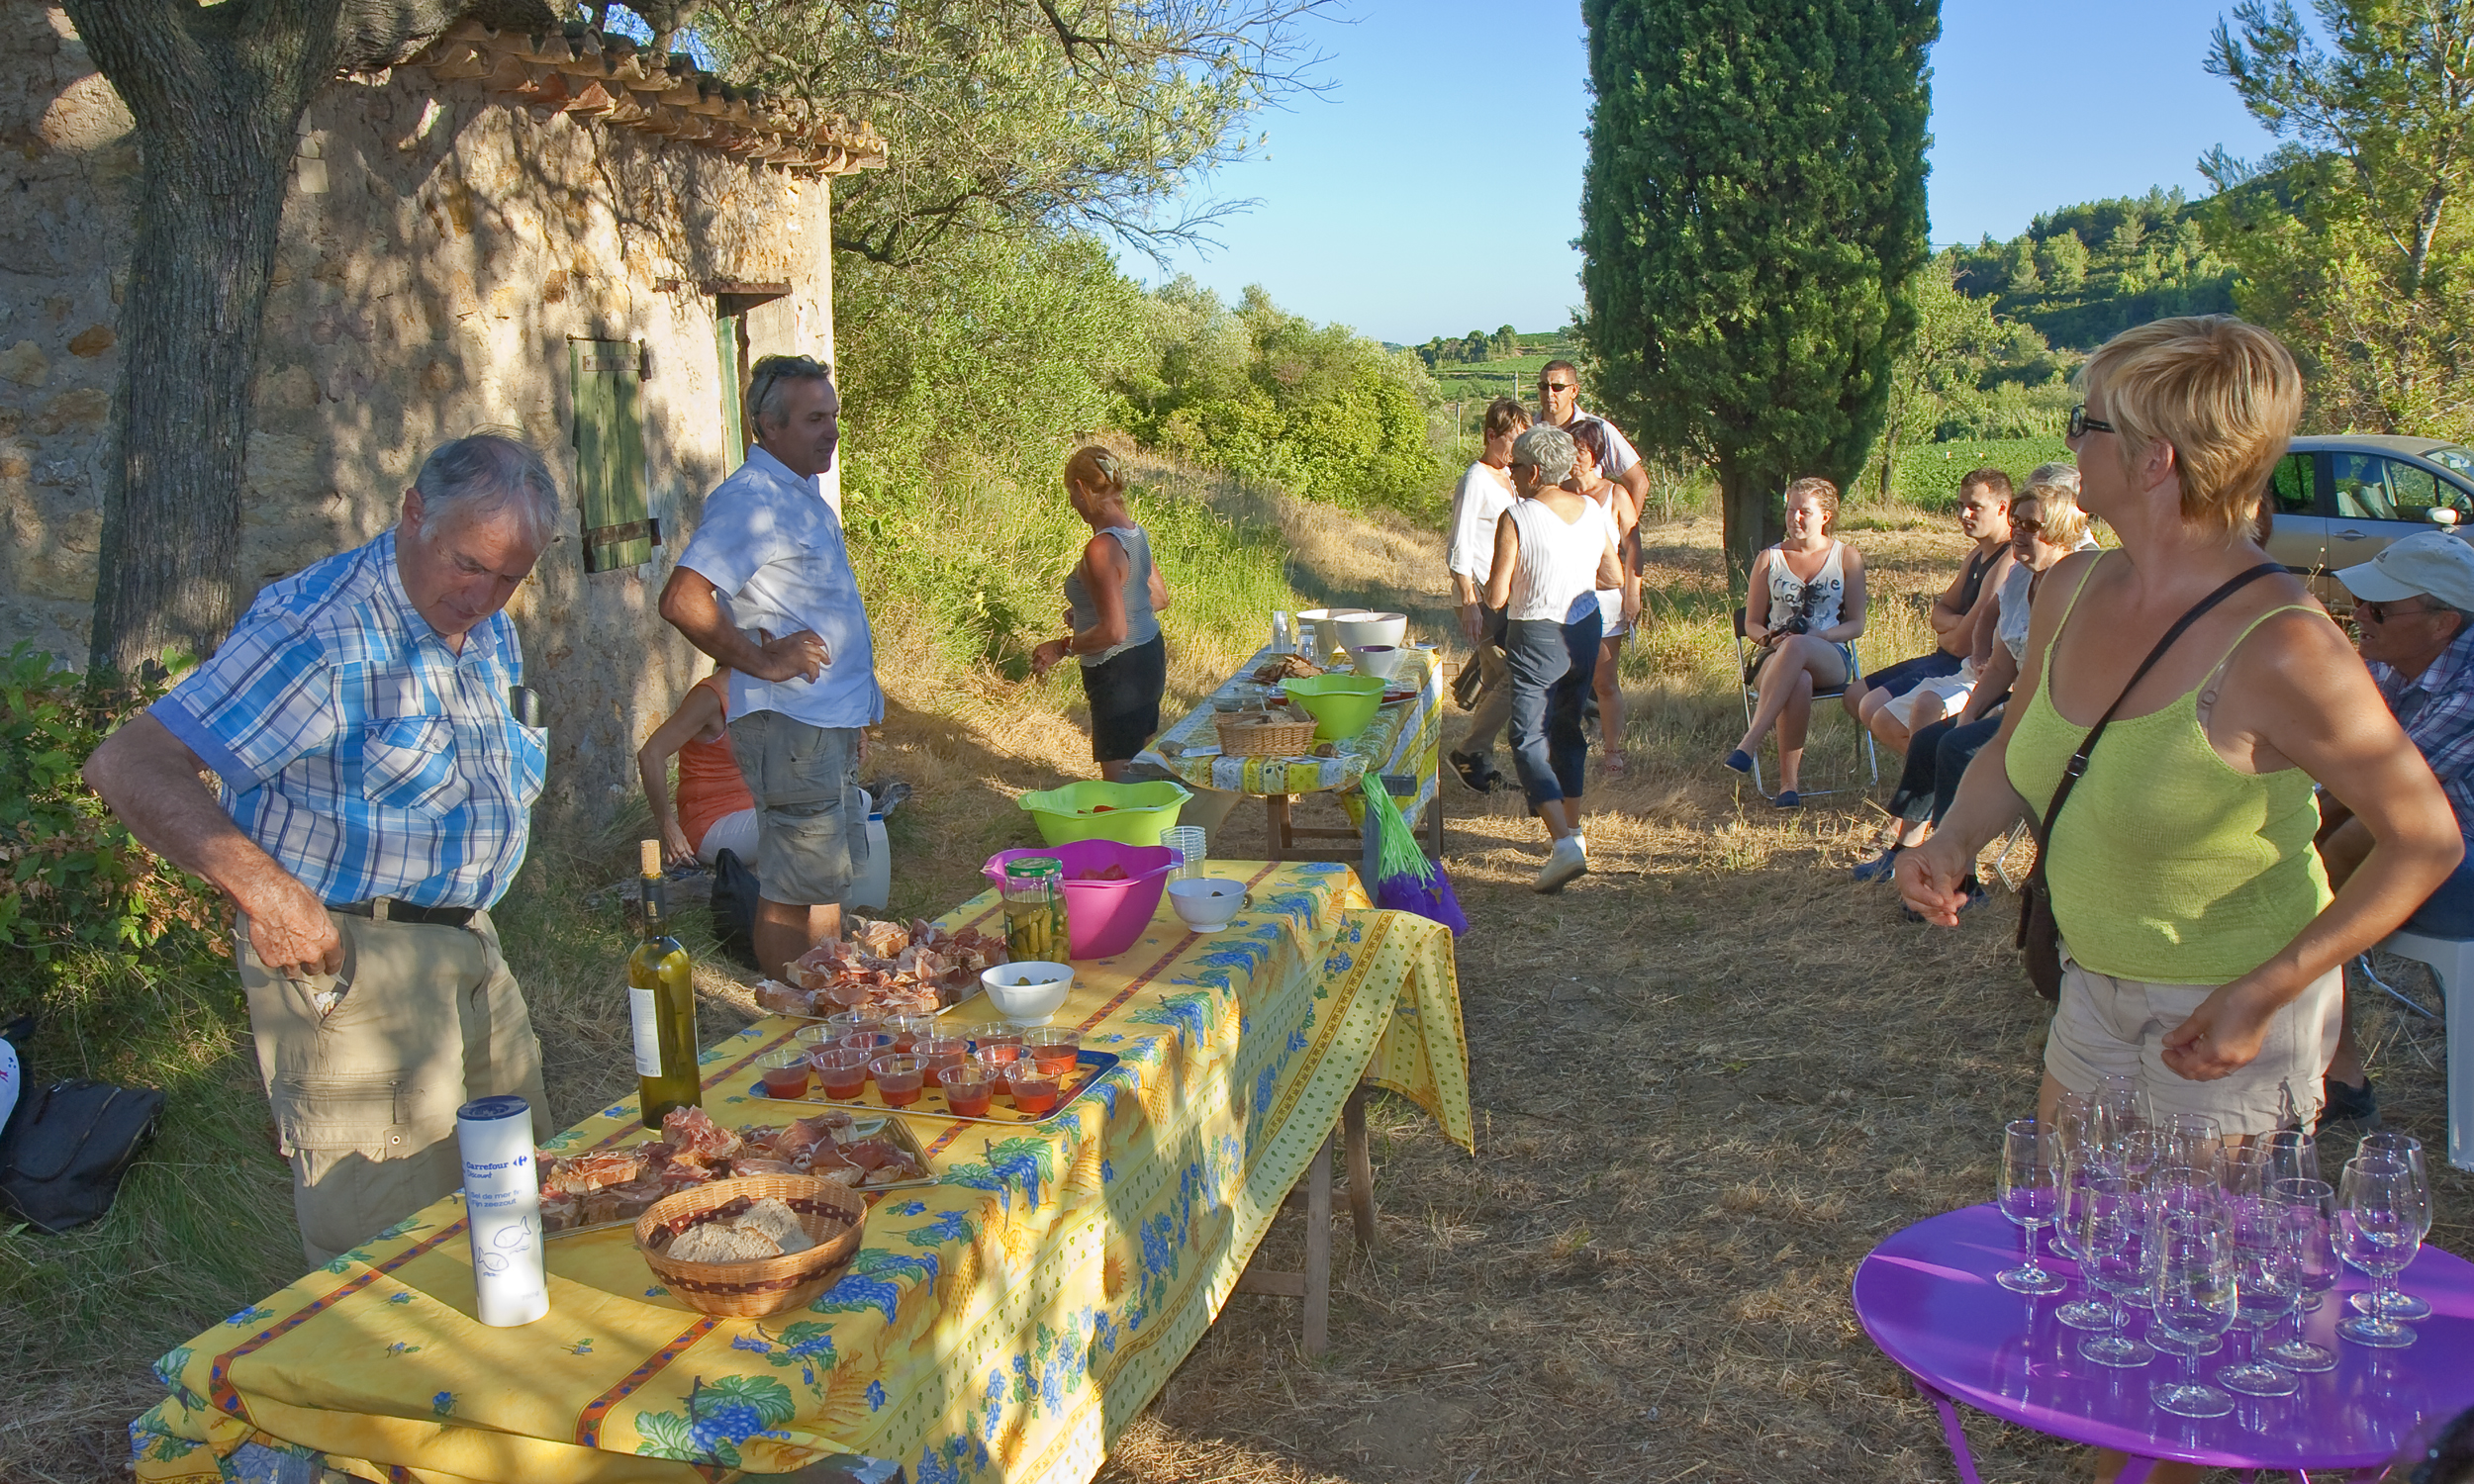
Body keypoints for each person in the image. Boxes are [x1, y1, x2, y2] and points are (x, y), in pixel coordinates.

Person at [1898, 316, 2460, 1156]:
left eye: (2084, 425)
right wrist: (1954, 840)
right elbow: (2020, 752)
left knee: (2194, 1279)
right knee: (2077, 1238)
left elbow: (2425, 842)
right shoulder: (2073, 587)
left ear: (2153, 458)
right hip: (2088, 990)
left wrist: (2268, 990)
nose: (2069, 445)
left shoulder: (2285, 643)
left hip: (2223, 1014)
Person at [82, 433, 561, 1264]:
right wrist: (266, 894)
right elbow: (128, 762)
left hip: (475, 949)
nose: (484, 595)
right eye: (469, 565)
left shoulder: (485, 630)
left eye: (511, 577)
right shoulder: (320, 628)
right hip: (352, 961)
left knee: (525, 1211)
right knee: (389, 1255)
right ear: (413, 512)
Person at [661, 355, 883, 979]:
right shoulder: (751, 501)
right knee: (791, 885)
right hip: (791, 725)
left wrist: (855, 706)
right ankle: (790, 1021)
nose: (831, 431)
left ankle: (825, 1003)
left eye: (834, 416)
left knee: (823, 879)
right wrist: (761, 659)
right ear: (768, 426)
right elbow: (682, 599)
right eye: (815, 418)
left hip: (822, 723)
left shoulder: (802, 494)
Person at [1855, 474, 2094, 898]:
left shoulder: (2077, 583)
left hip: (2065, 711)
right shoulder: (2021, 579)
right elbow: (2001, 666)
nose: (2018, 533)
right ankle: (1908, 848)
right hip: (2019, 701)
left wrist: (1979, 726)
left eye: (2031, 526)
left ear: (2059, 530)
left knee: (1958, 748)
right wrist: (1967, 717)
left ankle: (1960, 875)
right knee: (1933, 741)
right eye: (2016, 523)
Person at [2313, 530, 2474, 1127]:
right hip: (2423, 835)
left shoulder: (2468, 686)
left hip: (2464, 860)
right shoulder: (2392, 666)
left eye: (2379, 607)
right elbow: (2336, 775)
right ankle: (2332, 1070)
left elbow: (2379, 791)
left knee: (2312, 880)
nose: (2360, 615)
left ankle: (2337, 1074)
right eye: (2360, 602)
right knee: (2303, 859)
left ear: (2443, 623)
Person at [1481, 424, 1622, 892]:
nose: (1510, 473)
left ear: (1536, 471)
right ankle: (1576, 832)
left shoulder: (1517, 516)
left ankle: (1562, 845)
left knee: (1527, 738)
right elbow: (1611, 574)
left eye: (1515, 466)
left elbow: (1498, 595)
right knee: (1567, 729)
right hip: (1583, 627)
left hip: (1537, 630)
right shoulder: (1592, 510)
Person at [1722, 478, 1868, 806]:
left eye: (1805, 512)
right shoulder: (1768, 558)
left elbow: (1857, 624)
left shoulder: (1847, 557)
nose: (1795, 519)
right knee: (1797, 673)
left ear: (1826, 516)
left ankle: (1749, 743)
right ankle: (1789, 787)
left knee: (1800, 646)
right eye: (1791, 511)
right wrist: (1770, 637)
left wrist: (1821, 636)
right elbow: (1752, 624)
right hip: (1775, 655)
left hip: (1827, 653)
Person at [1030, 445, 1174, 779]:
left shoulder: (1101, 547)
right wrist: (1090, 612)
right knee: (1141, 770)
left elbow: (1114, 632)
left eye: (1070, 492)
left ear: (1081, 489)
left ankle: (1135, 831)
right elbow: (1158, 598)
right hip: (1147, 658)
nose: (1071, 502)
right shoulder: (1134, 533)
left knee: (1123, 783)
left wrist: (1061, 647)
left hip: (1118, 671)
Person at [1845, 469, 2014, 729]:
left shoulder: (2008, 558)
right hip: (1943, 657)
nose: (1964, 515)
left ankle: (1936, 764)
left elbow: (1961, 645)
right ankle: (1924, 757)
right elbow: (1939, 612)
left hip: (1964, 666)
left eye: (1974, 507)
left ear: (2003, 507)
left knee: (1873, 707)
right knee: (1855, 696)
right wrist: (1958, 622)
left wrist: (1949, 633)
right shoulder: (1976, 554)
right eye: (1960, 506)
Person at [1445, 398, 1532, 793]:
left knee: (1498, 680)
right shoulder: (1476, 478)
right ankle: (1471, 751)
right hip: (1481, 593)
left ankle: (1479, 761)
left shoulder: (1510, 477)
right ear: (1490, 436)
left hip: (1507, 594)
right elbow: (1459, 542)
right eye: (1512, 440)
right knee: (1513, 675)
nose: (1517, 449)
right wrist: (1468, 601)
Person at [1566, 419, 1643, 775]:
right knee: (1566, 676)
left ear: (1593, 454)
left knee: (1604, 680)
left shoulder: (1615, 494)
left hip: (1607, 596)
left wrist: (1632, 594)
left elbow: (1633, 546)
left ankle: (1613, 750)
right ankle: (1565, 747)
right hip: (1565, 595)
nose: (1573, 458)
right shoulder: (1560, 492)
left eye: (1579, 451)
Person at [637, 667, 759, 870]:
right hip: (711, 826)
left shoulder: (762, 692)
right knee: (795, 822)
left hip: (752, 813)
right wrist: (668, 826)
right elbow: (650, 754)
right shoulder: (709, 698)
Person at [1535, 360, 1650, 513]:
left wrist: (1626, 530)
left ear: (1574, 391)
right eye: (1543, 386)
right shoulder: (1527, 431)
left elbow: (1638, 481)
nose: (1549, 394)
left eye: (1558, 387)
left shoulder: (1599, 430)